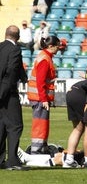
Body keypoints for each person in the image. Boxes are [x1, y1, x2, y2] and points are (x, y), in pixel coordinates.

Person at [0, 25, 28, 170]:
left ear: (6, 34)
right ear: (17, 37)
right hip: (8, 94)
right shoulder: (15, 49)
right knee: (15, 126)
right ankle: (12, 160)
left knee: (1, 126)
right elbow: (11, 71)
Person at [27, 35, 61, 155]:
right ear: (51, 46)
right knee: (40, 125)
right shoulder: (45, 59)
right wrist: (44, 99)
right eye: (57, 46)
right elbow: (40, 82)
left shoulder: (46, 57)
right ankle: (36, 151)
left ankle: (41, 148)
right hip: (39, 98)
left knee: (43, 124)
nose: (59, 49)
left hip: (39, 98)